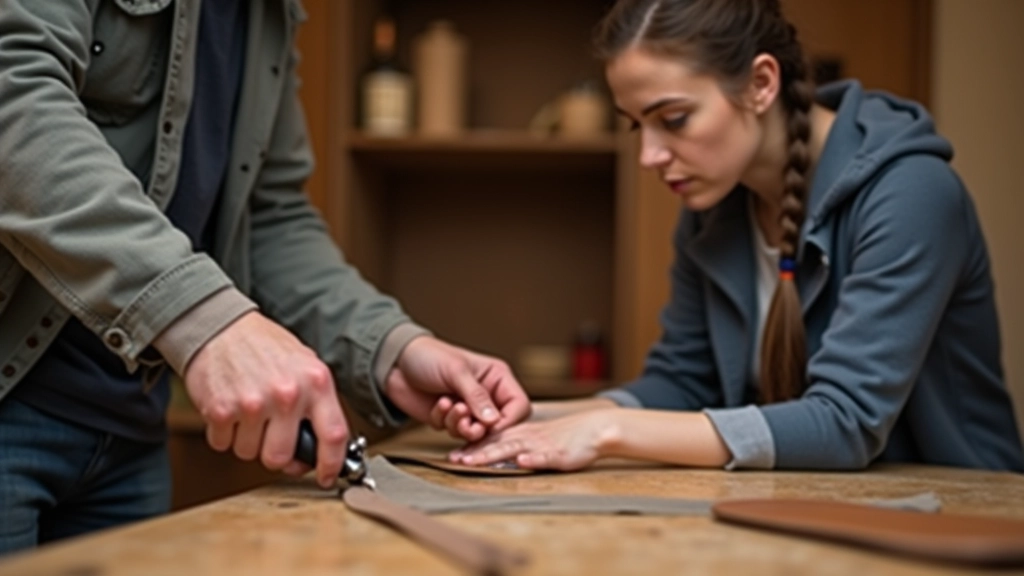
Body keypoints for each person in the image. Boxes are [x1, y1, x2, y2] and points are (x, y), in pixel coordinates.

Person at [0, 0, 529, 555]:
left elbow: (269, 216)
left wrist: (389, 349)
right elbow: (14, 102)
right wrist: (202, 320)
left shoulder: (268, 15)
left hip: (128, 431)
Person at [437, 0, 1024, 473]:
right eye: (636, 125)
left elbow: (844, 424)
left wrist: (606, 431)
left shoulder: (911, 192)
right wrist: (528, 417)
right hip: (809, 509)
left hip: (957, 516)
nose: (649, 155)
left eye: (673, 119)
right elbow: (682, 382)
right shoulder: (715, 201)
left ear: (761, 83)